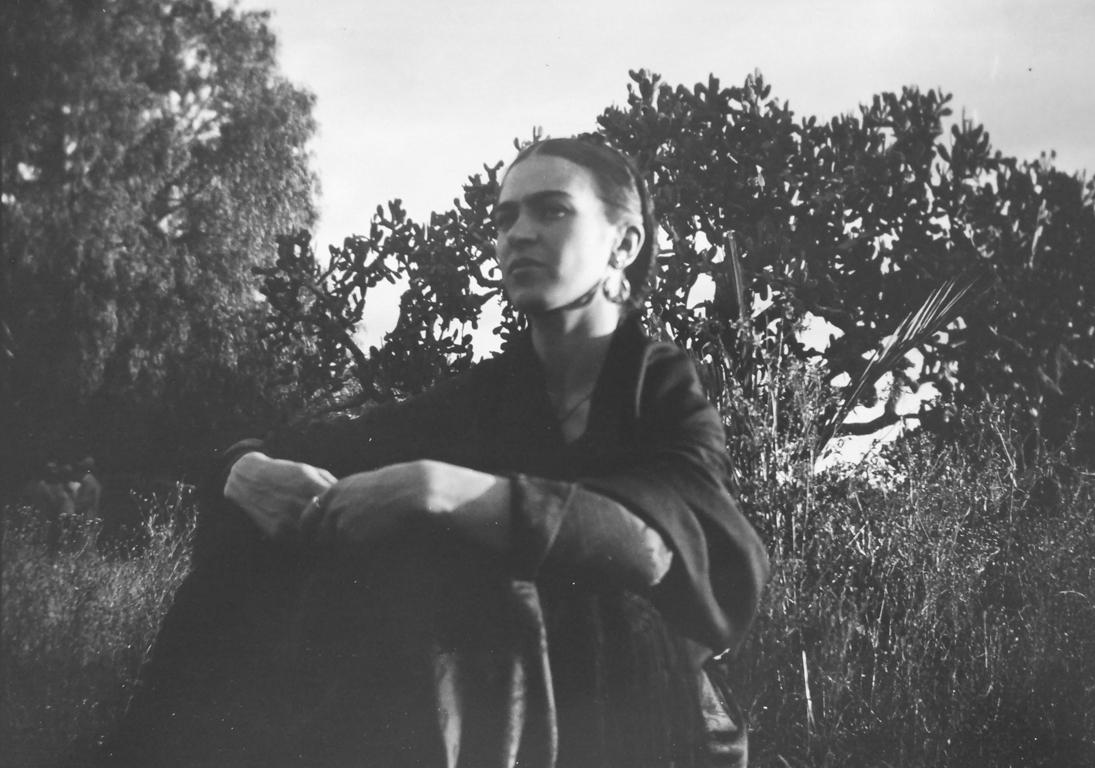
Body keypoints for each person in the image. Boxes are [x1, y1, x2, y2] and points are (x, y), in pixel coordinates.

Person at [99, 137, 769, 767]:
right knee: (270, 556)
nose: (519, 234)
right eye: (505, 219)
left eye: (552, 210)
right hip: (493, 699)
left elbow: (659, 539)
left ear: (624, 242)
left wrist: (442, 491)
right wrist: (241, 470)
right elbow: (310, 448)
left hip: (626, 708)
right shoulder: (482, 397)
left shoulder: (660, 386)